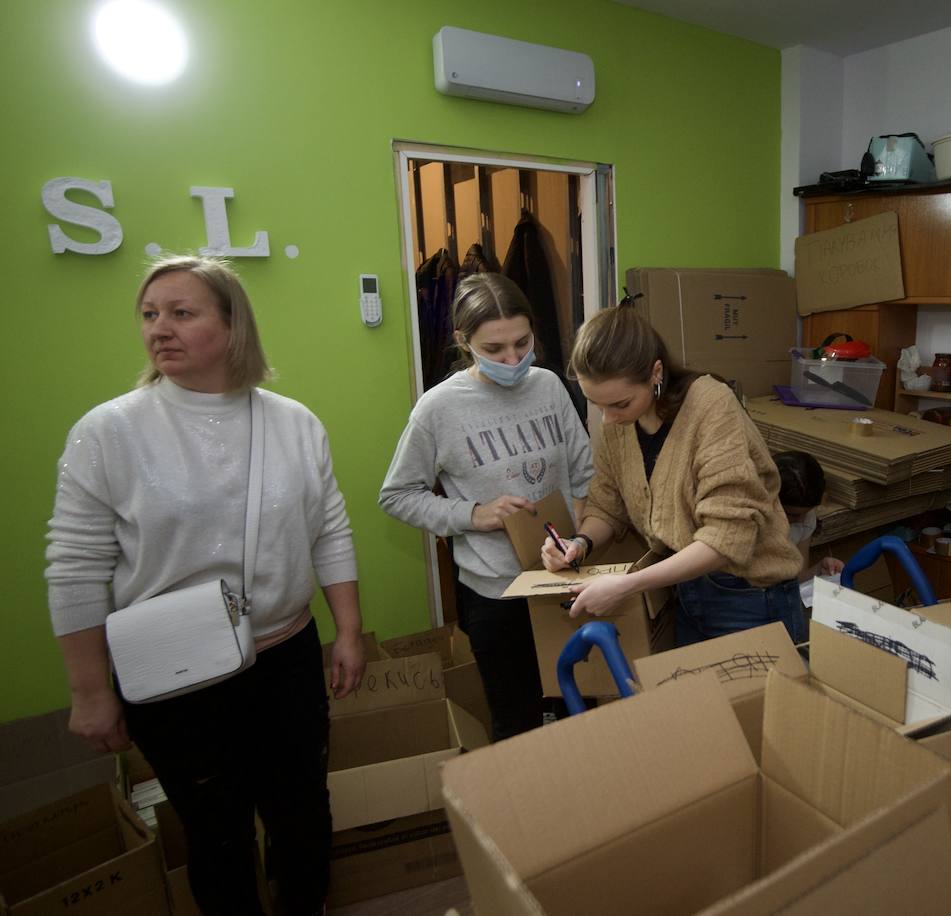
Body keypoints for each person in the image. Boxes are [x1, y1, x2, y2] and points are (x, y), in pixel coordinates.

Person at [44, 255, 366, 916]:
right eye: (149, 314)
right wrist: (89, 691)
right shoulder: (108, 433)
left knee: (303, 811)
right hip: (176, 679)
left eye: (181, 313)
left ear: (232, 324)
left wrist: (350, 631)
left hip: (286, 658)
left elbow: (330, 528)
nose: (159, 329)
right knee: (216, 833)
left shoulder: (294, 423)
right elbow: (74, 567)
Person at [379, 272, 593, 740]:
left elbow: (585, 471)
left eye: (522, 342)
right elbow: (396, 495)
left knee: (582, 709)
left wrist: (582, 540)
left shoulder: (550, 386)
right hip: (497, 595)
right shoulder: (438, 409)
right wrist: (473, 514)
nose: (513, 359)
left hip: (564, 581)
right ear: (464, 341)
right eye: (495, 350)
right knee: (517, 723)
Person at [540, 303, 806, 645]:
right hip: (686, 588)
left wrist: (627, 584)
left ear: (655, 373)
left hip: (749, 598)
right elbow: (607, 505)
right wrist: (579, 544)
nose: (607, 419)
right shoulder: (618, 424)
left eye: (620, 404)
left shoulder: (711, 406)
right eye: (597, 405)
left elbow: (727, 537)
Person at [774, 450, 845, 579]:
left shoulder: (806, 518)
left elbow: (798, 578)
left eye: (807, 513)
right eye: (792, 515)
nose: (801, 521)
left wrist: (819, 569)